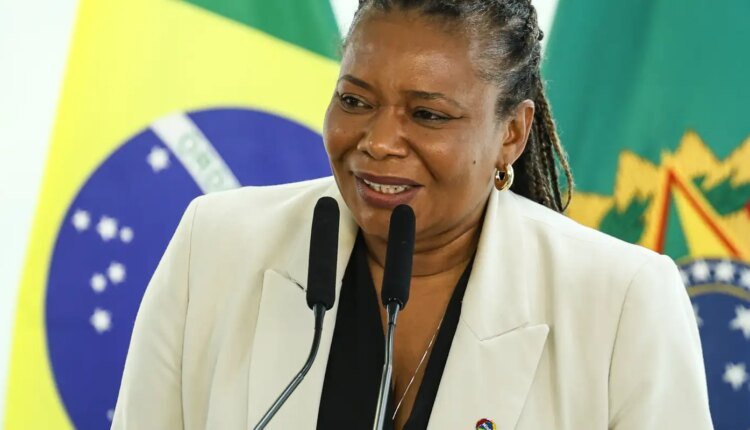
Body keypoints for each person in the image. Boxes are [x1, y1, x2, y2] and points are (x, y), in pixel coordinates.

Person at [112, 1, 714, 429]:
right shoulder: (214, 249)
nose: (378, 142)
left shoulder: (624, 302)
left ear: (512, 132)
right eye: (355, 101)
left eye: (427, 115)